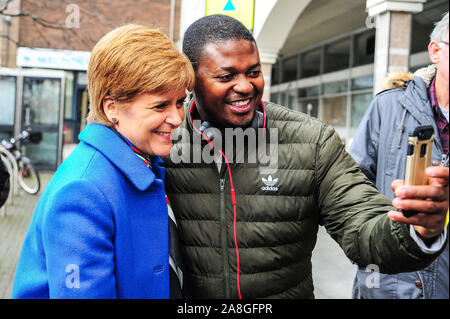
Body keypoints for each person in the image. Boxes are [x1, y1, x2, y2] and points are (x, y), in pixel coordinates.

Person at [162, 14, 449, 299]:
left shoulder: (312, 140)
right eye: (226, 76)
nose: (246, 86)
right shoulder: (164, 143)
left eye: (253, 72)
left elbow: (362, 226)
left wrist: (417, 229)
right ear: (191, 79)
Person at [12, 24, 194, 298]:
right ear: (112, 108)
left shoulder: (141, 161)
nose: (177, 117)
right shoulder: (83, 191)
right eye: (160, 106)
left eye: (180, 102)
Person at [350, 12, 449, 299]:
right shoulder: (389, 107)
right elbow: (353, 187)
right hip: (386, 281)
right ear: (435, 51)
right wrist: (371, 247)